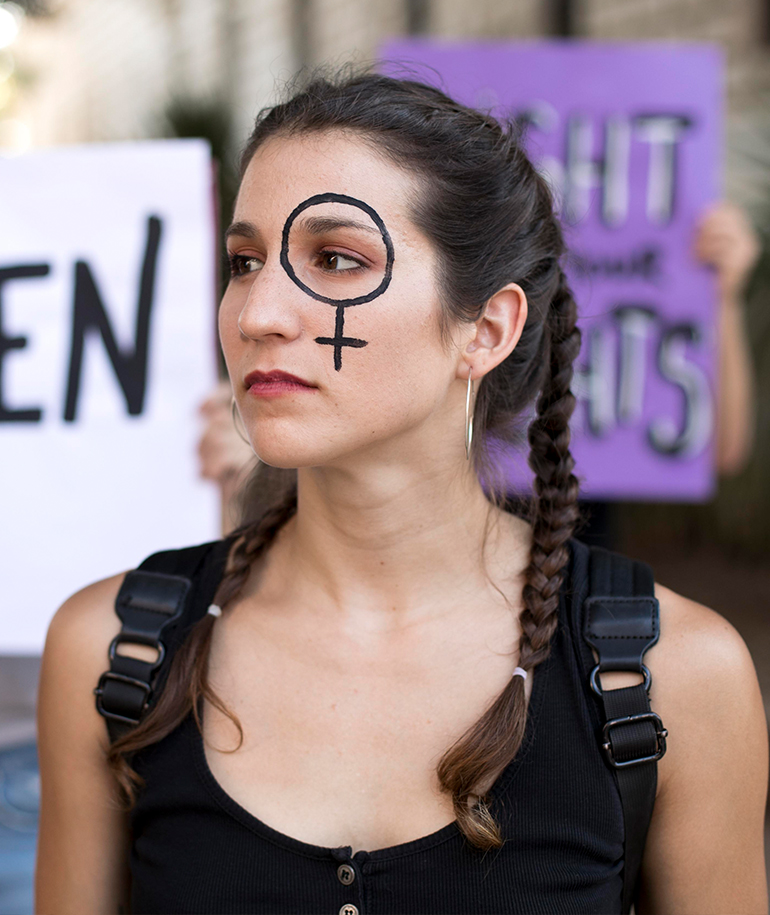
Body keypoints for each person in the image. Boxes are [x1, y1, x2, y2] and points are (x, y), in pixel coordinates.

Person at [35, 71, 768, 915]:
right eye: (245, 262)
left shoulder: (675, 677)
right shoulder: (112, 650)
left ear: (486, 329)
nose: (257, 313)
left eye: (337, 259)